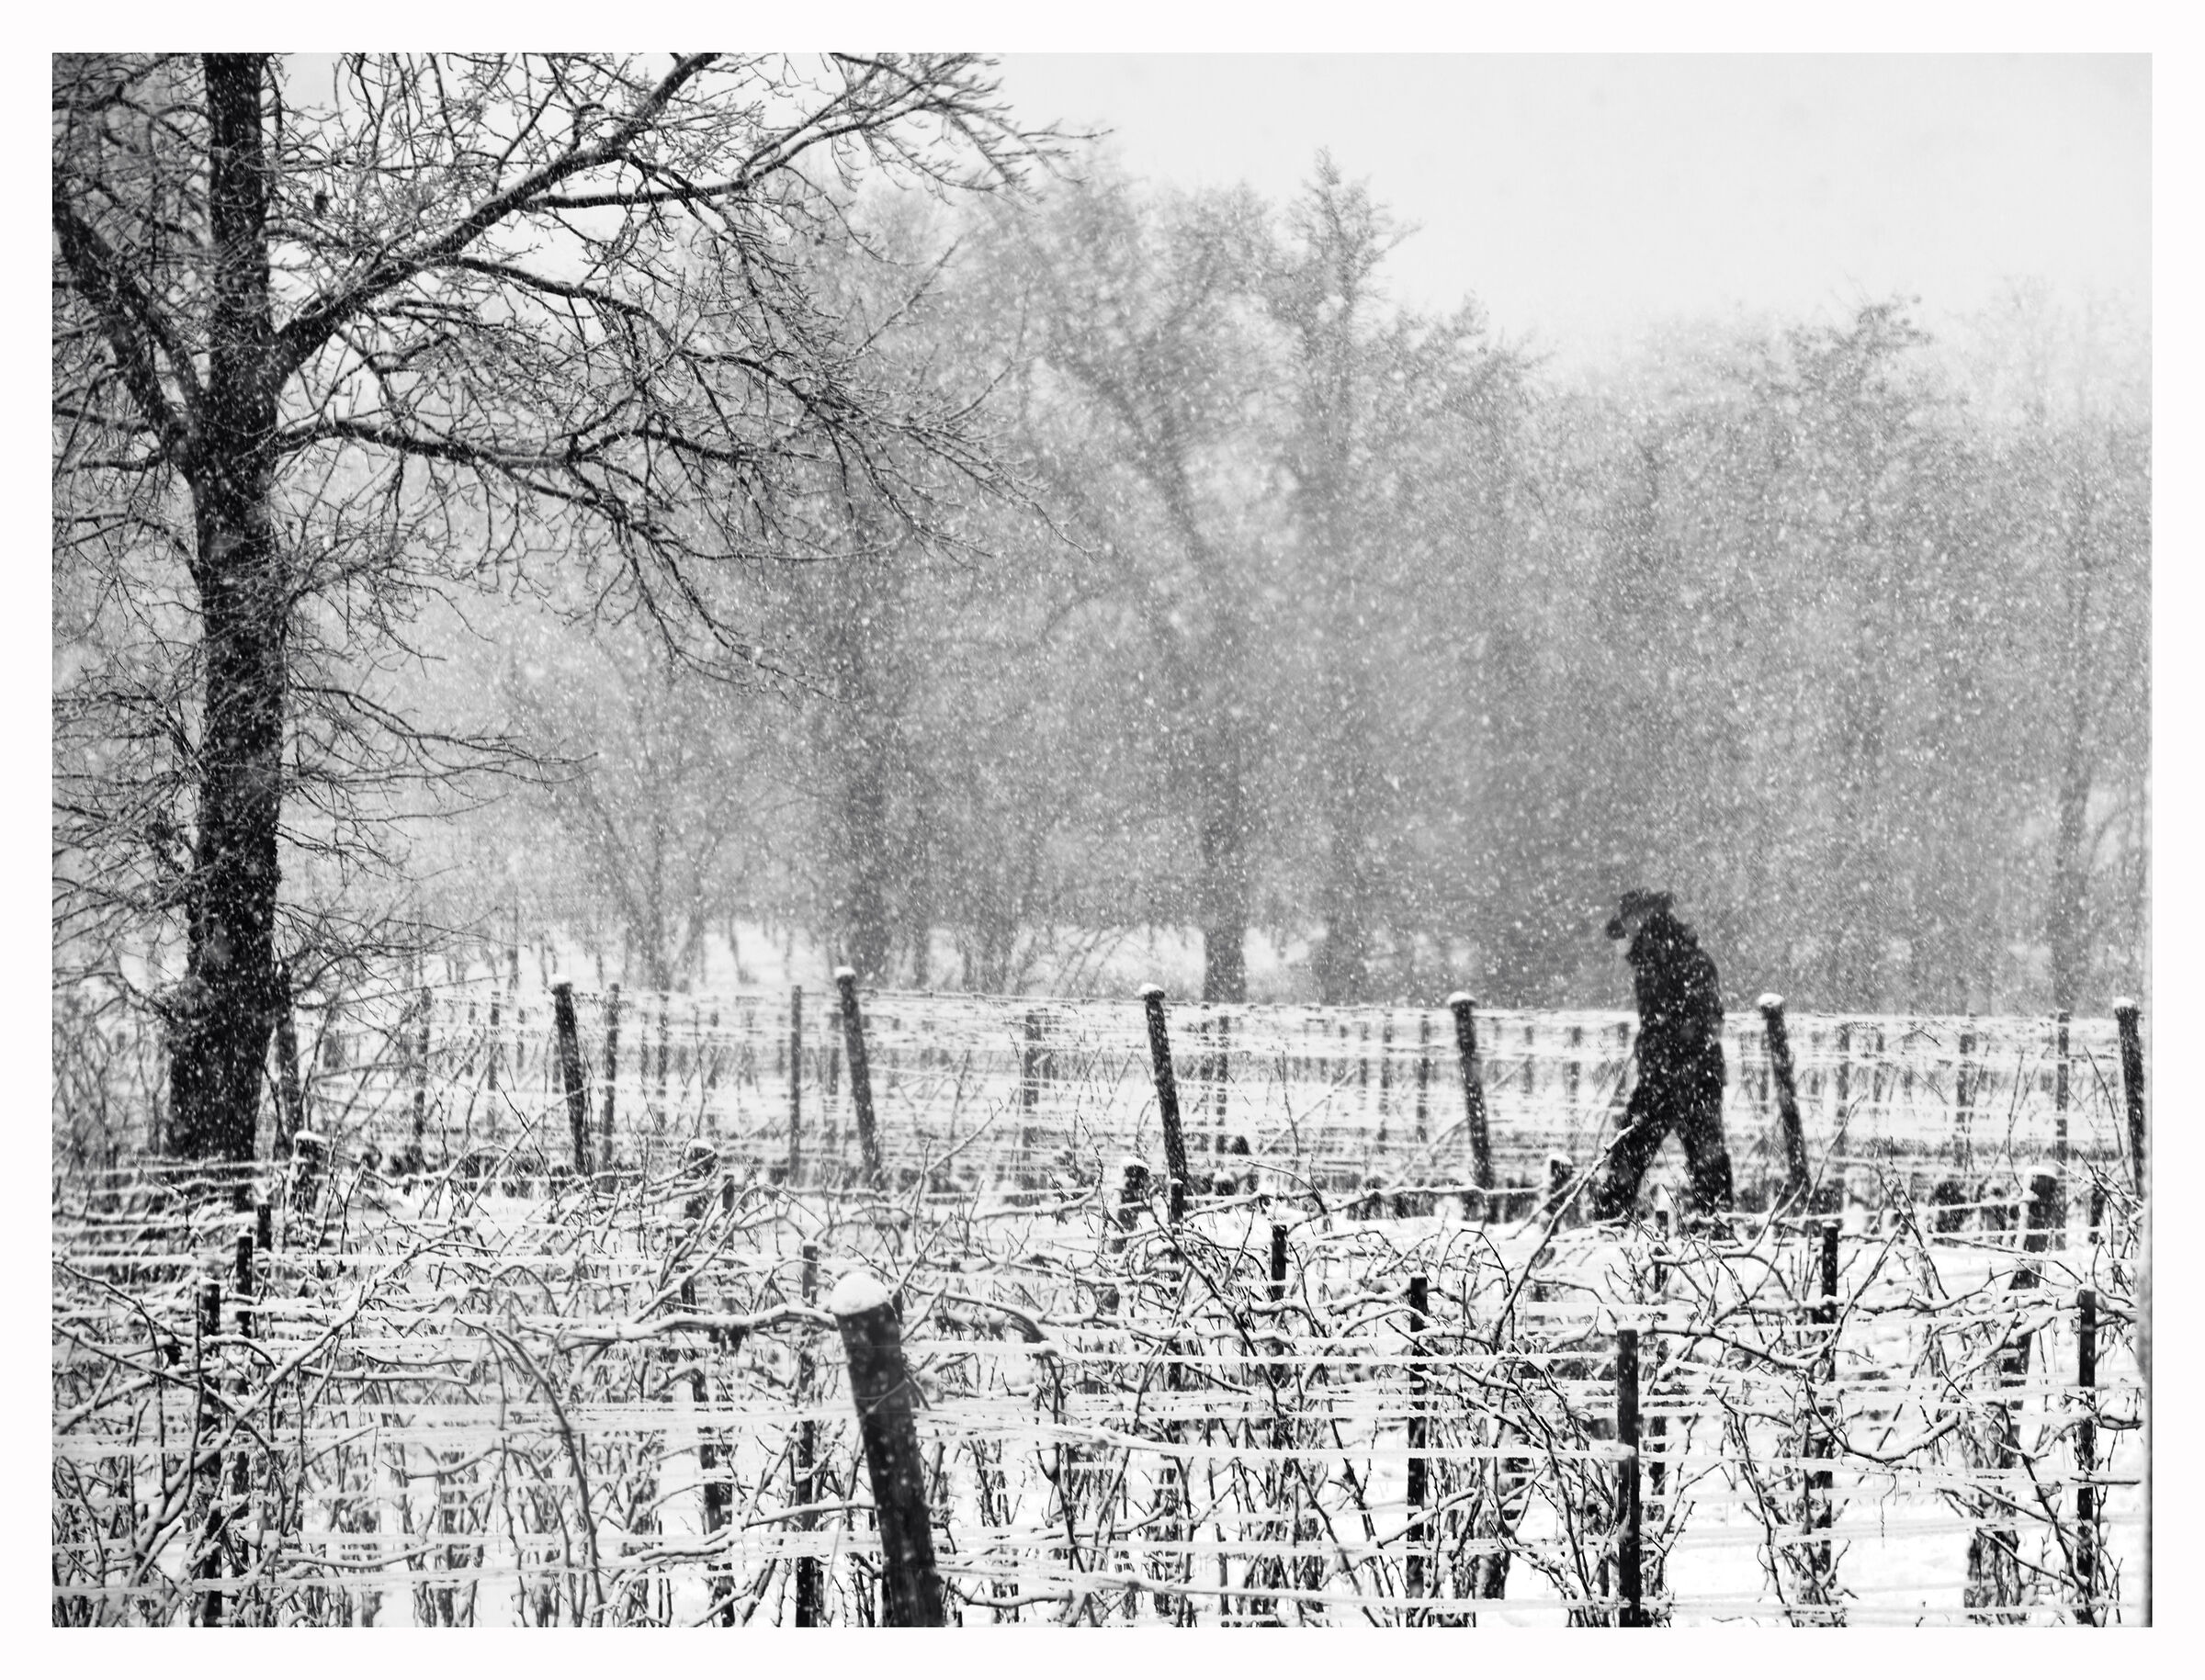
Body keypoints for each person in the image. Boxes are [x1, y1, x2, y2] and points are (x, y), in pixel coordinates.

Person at [1589, 889, 1736, 1221]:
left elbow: (1706, 1023)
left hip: (1687, 1075)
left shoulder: (1678, 960)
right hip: (1678, 1075)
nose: (1626, 932)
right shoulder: (1660, 959)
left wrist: (1670, 1053)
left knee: (1641, 1149)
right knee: (1698, 1155)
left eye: (1629, 922)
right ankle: (1715, 1227)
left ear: (1643, 918)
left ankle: (1613, 1224)